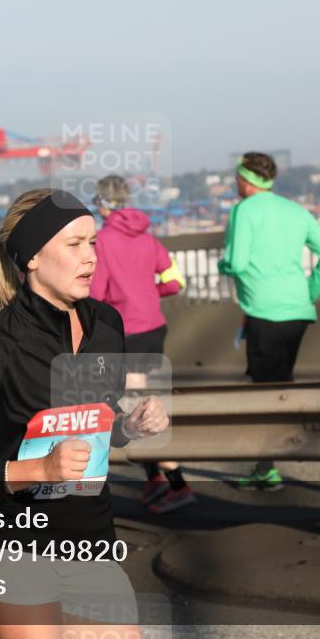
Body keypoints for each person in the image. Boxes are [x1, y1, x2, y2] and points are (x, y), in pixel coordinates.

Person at [0, 189, 169, 639]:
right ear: (32, 257)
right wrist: (39, 469)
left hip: (90, 539)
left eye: (92, 242)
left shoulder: (107, 327)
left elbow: (90, 423)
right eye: (73, 245)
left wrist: (128, 427)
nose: (90, 257)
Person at [218, 153, 320, 490]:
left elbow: (238, 262)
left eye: (236, 178)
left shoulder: (243, 210)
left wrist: (223, 265)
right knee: (280, 383)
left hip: (263, 311)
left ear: (245, 180)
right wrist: (307, 293)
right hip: (297, 310)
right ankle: (266, 461)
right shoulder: (295, 210)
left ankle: (270, 465)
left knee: (264, 392)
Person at [89, 175, 193, 515]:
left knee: (136, 407)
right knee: (146, 401)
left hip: (125, 331)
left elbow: (96, 294)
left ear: (102, 204)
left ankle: (177, 483)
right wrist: (149, 294)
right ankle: (154, 478)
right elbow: (175, 281)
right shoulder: (148, 238)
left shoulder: (102, 241)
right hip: (154, 327)